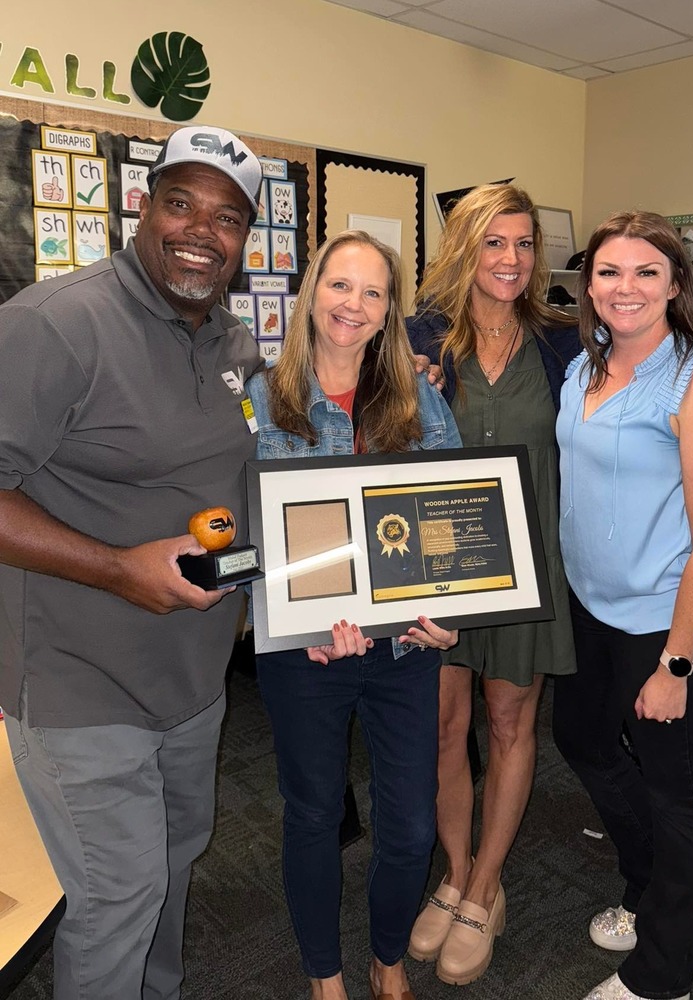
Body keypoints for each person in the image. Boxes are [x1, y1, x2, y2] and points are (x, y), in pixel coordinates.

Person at [0, 125, 264, 1000]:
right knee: (118, 897)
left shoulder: (233, 344)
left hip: (191, 681)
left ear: (244, 237)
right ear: (142, 207)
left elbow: (240, 481)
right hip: (79, 685)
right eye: (181, 203)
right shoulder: (54, 325)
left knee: (174, 864)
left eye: (227, 217)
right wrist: (118, 568)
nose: (202, 231)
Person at [247, 229, 461, 1000]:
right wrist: (295, 620)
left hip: (405, 649)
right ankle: (324, 976)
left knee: (410, 826)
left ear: (389, 311)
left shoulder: (419, 399)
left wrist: (451, 614)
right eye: (341, 285)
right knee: (313, 815)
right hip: (304, 658)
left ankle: (387, 955)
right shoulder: (259, 400)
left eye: (373, 292)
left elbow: (451, 526)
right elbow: (245, 535)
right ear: (313, 292)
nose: (354, 304)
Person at [552, 211, 693, 1000]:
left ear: (676, 285)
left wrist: (676, 665)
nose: (625, 287)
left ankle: (663, 977)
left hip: (670, 622)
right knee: (582, 740)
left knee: (678, 796)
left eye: (646, 272)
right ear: (589, 284)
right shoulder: (585, 366)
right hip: (592, 608)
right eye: (609, 271)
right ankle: (647, 884)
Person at [406, 183, 579, 985]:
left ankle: (484, 887)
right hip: (442, 564)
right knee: (445, 727)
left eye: (523, 243)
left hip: (527, 566)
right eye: (493, 242)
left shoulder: (563, 345)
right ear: (464, 248)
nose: (511, 259)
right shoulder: (420, 339)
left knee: (510, 723)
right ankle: (454, 869)